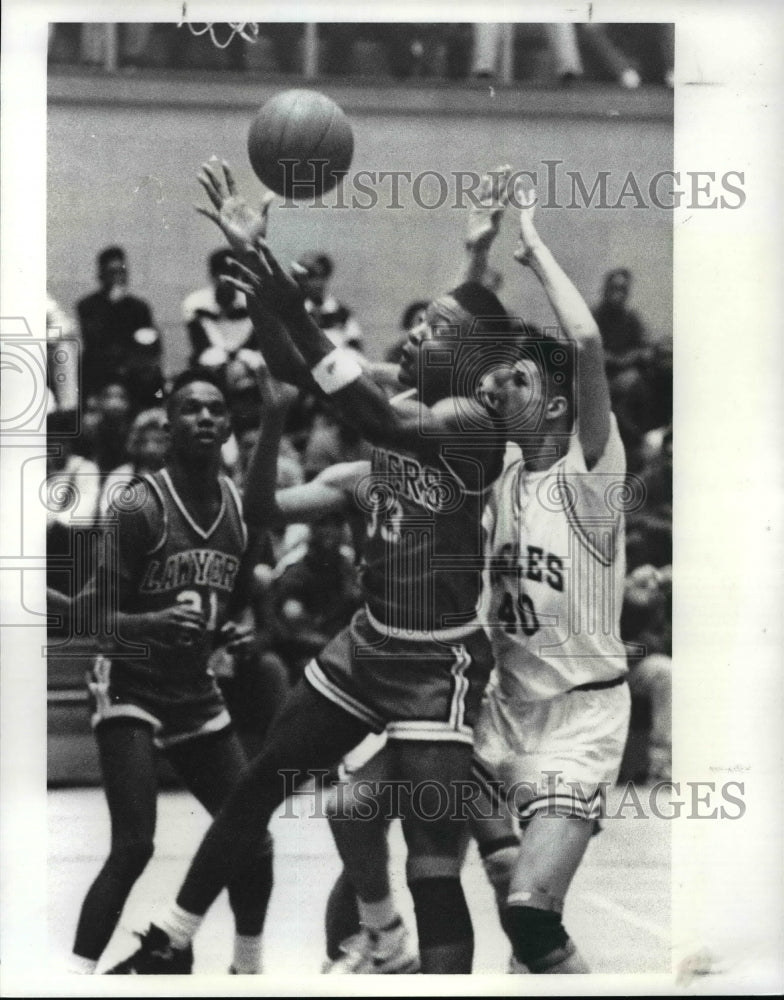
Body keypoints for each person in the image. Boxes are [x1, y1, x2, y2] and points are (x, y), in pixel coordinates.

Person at [106, 160, 511, 974]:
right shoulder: (409, 400)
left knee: (434, 852)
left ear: (462, 356)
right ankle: (177, 938)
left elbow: (357, 398)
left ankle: (439, 952)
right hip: (368, 644)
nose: (413, 333)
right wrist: (252, 260)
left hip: (439, 660)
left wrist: (285, 295)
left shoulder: (471, 423)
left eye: (432, 329)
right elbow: (298, 368)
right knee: (264, 783)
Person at [53, 370, 274, 975]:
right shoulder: (139, 507)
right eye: (190, 409)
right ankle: (72, 978)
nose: (204, 418)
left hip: (192, 687)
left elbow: (237, 597)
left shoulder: (237, 506)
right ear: (169, 426)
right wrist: (154, 625)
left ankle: (247, 974)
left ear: (228, 426)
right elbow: (98, 622)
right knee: (134, 844)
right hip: (128, 679)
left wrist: (238, 626)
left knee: (253, 837)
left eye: (215, 409)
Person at [468, 178, 631, 974]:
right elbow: (457, 349)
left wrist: (531, 251)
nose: (503, 389)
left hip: (578, 718)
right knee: (503, 896)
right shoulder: (501, 471)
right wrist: (475, 253)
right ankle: (377, 940)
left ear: (562, 406)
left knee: (531, 916)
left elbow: (588, 346)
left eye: (523, 381)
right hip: (501, 711)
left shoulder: (591, 473)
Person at [76, 245, 164, 410]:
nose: (118, 278)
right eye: (112, 273)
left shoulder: (139, 306)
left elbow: (150, 341)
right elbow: (94, 341)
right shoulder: (87, 306)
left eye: (122, 272)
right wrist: (115, 307)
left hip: (132, 368)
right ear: (101, 275)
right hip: (102, 368)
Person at [182, 247, 263, 372]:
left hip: (246, 361)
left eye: (232, 274)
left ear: (238, 275)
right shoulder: (195, 303)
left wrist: (238, 360)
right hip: (212, 360)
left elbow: (254, 343)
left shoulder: (252, 302)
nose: (227, 281)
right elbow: (201, 345)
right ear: (212, 275)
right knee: (210, 360)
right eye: (222, 274)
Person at [293, 250, 364, 353]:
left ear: (325, 277)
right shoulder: (291, 311)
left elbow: (354, 345)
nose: (305, 281)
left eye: (312, 275)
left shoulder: (341, 313)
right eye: (300, 277)